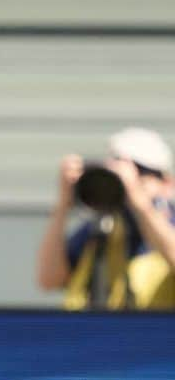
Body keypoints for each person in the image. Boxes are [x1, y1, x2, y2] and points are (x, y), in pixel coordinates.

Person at [35, 127, 175, 310]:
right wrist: (63, 204)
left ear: (166, 183)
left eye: (139, 171)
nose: (127, 180)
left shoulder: (168, 227)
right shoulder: (102, 226)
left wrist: (138, 200)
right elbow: (49, 280)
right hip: (94, 336)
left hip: (152, 337)